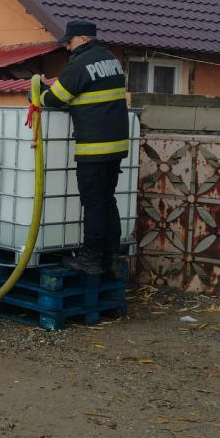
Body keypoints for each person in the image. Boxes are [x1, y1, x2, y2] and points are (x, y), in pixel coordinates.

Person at [36, 20, 130, 276]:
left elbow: (55, 98)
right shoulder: (111, 59)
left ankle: (90, 258)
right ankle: (111, 258)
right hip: (116, 145)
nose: (67, 46)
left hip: (95, 146)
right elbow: (91, 95)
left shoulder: (81, 63)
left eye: (70, 40)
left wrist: (39, 93)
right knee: (107, 200)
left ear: (84, 38)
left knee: (94, 203)